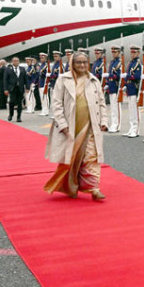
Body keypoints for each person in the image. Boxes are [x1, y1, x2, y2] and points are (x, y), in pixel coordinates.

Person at [44, 52, 109, 201]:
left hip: (90, 126)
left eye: (85, 62)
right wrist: (62, 124)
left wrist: (104, 121)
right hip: (70, 128)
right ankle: (70, 187)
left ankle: (94, 189)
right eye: (78, 62)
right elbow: (57, 104)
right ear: (72, 64)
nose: (82, 65)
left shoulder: (94, 80)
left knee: (91, 157)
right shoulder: (63, 79)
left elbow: (102, 103)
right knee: (71, 160)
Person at [122, 45, 142, 138]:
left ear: (138, 53)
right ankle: (131, 128)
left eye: (134, 52)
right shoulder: (131, 63)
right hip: (129, 88)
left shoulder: (138, 64)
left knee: (135, 110)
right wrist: (125, 84)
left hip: (134, 88)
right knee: (131, 110)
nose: (132, 54)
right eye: (131, 52)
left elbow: (137, 76)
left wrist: (128, 76)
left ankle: (136, 129)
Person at [105, 46, 122, 132]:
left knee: (116, 108)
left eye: (115, 52)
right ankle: (113, 123)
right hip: (111, 86)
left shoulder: (119, 63)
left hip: (116, 87)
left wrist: (111, 77)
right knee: (112, 108)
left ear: (119, 53)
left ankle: (116, 125)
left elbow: (120, 76)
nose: (113, 54)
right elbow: (110, 73)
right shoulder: (112, 62)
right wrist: (107, 83)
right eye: (112, 52)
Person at [4, 57, 27, 122]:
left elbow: (25, 79)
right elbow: (5, 80)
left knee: (20, 103)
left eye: (17, 61)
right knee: (12, 102)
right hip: (12, 88)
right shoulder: (8, 69)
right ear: (12, 62)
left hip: (20, 88)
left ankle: (19, 117)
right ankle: (11, 114)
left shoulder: (22, 69)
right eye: (14, 61)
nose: (15, 62)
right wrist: (5, 89)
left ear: (19, 62)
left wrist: (27, 87)